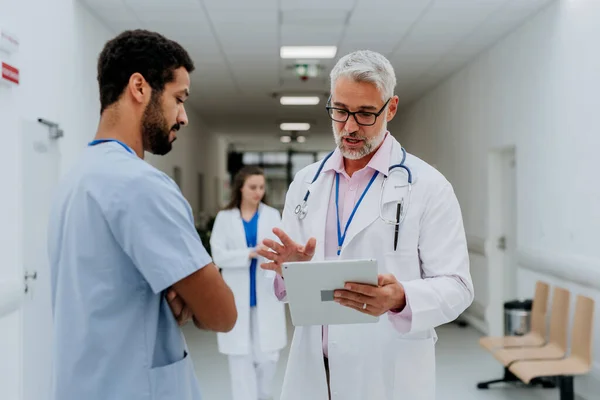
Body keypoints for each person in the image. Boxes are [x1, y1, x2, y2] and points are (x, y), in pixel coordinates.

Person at [257, 50, 474, 400]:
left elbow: (459, 286)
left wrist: (401, 297)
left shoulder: (428, 186)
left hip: (386, 371)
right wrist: (287, 272)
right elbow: (283, 284)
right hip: (315, 370)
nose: (350, 127)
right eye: (340, 111)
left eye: (365, 113)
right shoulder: (306, 183)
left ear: (391, 108)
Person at [47, 29, 237, 400]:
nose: (183, 116)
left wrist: (179, 290)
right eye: (178, 99)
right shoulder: (142, 184)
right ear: (139, 87)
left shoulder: (75, 178)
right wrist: (189, 298)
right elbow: (222, 314)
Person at [209, 166, 287, 400]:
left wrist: (269, 253)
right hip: (237, 295)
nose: (258, 192)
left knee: (268, 356)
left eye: (261, 187)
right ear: (240, 188)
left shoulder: (272, 215)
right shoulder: (225, 218)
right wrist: (249, 253)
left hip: (265, 292)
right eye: (253, 187)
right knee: (239, 357)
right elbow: (218, 255)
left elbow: (281, 250)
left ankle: (263, 396)